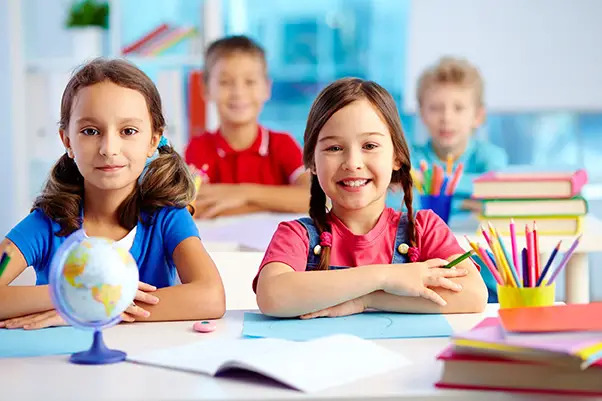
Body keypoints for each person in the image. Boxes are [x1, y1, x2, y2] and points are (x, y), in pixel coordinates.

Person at [0, 59, 225, 329]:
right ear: (68, 141)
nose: (109, 148)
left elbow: (211, 296)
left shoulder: (168, 219)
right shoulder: (46, 223)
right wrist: (70, 299)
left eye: (128, 131)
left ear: (153, 140)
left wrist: (99, 310)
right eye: (90, 131)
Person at [254, 78, 488, 318]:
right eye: (334, 148)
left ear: (397, 156)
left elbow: (473, 294)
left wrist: (367, 299)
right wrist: (385, 277)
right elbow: (272, 296)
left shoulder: (423, 229)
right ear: (312, 161)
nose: (353, 163)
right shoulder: (297, 235)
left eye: (369, 145)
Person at [185, 35, 310, 218]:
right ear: (205, 89)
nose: (238, 92)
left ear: (266, 88)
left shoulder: (282, 144)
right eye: (225, 82)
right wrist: (275, 203)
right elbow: (192, 209)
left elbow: (313, 198)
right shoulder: (199, 148)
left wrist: (242, 193)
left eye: (250, 82)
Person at [412, 57, 508, 213]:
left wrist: (432, 182)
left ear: (478, 116)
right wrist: (468, 202)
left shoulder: (491, 156)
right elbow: (408, 206)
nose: (446, 118)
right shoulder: (412, 157)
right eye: (435, 108)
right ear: (422, 114)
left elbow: (497, 196)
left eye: (458, 108)